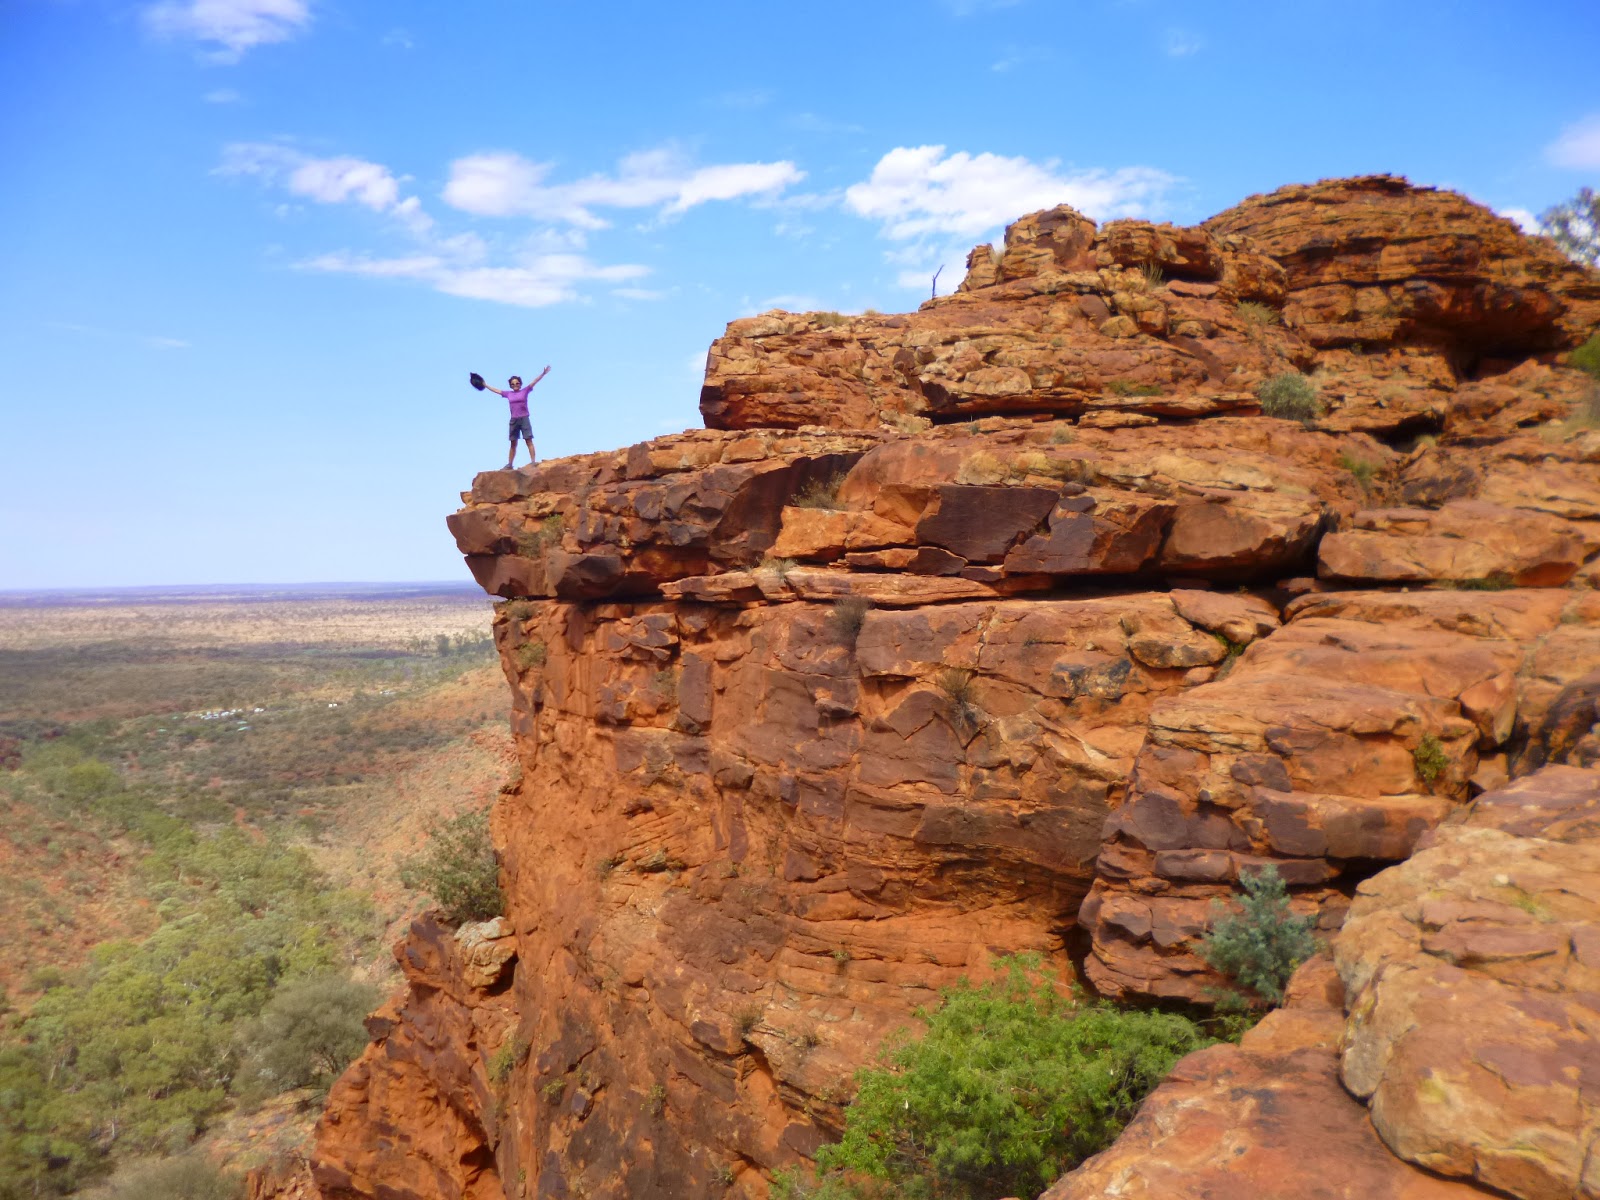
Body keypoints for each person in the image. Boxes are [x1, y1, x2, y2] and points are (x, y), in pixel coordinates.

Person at [477, 366, 550, 469]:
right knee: (513, 443)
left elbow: (534, 381)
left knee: (528, 440)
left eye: (517, 383)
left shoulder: (525, 391)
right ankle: (510, 464)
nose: (515, 385)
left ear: (520, 384)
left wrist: (543, 374)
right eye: (513, 384)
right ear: (510, 386)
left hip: (524, 418)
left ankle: (533, 462)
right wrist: (485, 385)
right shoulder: (508, 394)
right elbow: (496, 390)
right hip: (514, 420)